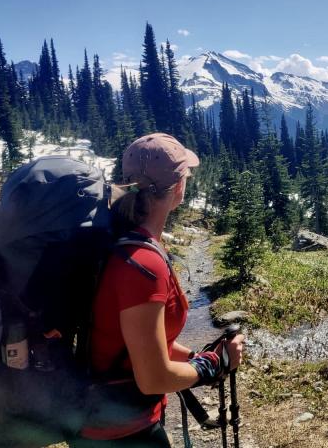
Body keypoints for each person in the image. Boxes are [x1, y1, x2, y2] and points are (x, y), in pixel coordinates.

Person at [73, 133, 244, 447]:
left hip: (102, 418)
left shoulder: (122, 243)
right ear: (178, 188)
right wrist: (212, 365)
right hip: (121, 432)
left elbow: (138, 341)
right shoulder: (142, 266)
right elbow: (153, 378)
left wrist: (196, 356)